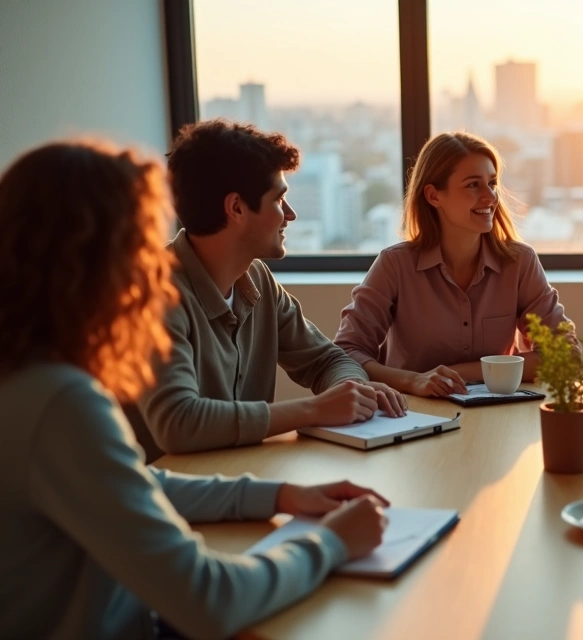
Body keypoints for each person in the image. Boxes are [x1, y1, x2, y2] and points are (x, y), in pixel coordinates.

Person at [0, 140, 390, 639]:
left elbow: (136, 483)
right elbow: (209, 601)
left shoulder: (30, 375)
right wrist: (331, 544)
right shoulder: (61, 402)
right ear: (94, 260)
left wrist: (282, 495)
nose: (150, 267)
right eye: (140, 242)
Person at [128, 120, 407, 461]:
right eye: (279, 199)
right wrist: (315, 409)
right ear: (236, 208)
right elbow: (179, 424)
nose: (290, 214)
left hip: (242, 476)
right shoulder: (153, 294)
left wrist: (352, 391)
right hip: (169, 490)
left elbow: (327, 360)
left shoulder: (257, 278)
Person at [334, 132, 573, 398]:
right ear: (434, 196)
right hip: (413, 413)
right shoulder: (395, 265)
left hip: (497, 413)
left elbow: (566, 355)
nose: (490, 196)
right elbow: (345, 354)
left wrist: (459, 372)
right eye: (472, 185)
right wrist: (414, 381)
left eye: (492, 183)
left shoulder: (519, 262)